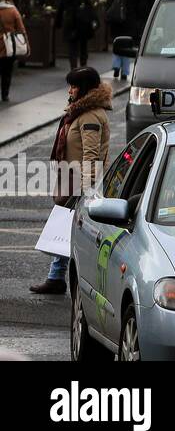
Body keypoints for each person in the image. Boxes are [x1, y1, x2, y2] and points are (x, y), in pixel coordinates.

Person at [30, 67, 111, 295]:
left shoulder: (90, 116)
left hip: (80, 182)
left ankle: (66, 279)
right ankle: (57, 277)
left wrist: (86, 189)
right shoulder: (79, 112)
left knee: (78, 231)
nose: (70, 90)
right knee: (67, 228)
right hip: (70, 177)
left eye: (74, 86)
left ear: (84, 89)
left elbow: (91, 154)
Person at [106, 0, 145, 80]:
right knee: (127, 47)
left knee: (116, 45)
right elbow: (140, 9)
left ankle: (116, 65)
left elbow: (109, 4)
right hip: (130, 23)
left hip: (117, 22)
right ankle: (125, 71)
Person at [54, 0, 96, 71]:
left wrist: (58, 23)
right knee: (83, 46)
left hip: (70, 22)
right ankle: (83, 67)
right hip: (83, 23)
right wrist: (94, 20)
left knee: (72, 47)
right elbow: (90, 7)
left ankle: (73, 68)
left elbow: (60, 9)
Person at [0, 0, 28, 102]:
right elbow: (21, 29)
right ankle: (5, 94)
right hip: (8, 46)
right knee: (7, 70)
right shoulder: (13, 11)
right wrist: (27, 44)